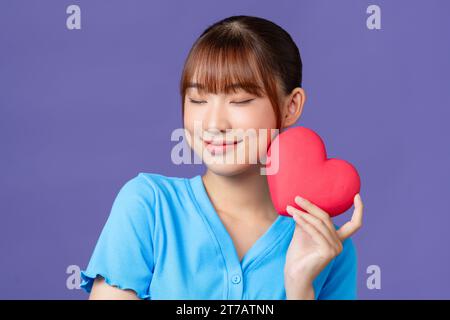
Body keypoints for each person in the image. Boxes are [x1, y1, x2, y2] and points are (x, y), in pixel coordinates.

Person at [80, 15, 364, 300]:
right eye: (198, 100)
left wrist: (299, 287)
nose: (214, 123)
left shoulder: (327, 247)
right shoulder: (149, 207)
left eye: (239, 100)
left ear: (291, 105)